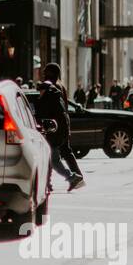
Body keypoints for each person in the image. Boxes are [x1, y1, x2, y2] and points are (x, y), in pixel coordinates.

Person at [38, 63, 85, 192]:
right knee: (62, 153)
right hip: (61, 125)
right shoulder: (58, 86)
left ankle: (73, 178)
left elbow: (54, 109)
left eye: (46, 72)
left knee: (55, 156)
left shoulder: (53, 87)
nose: (43, 74)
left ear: (51, 73)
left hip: (56, 126)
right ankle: (75, 178)